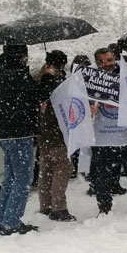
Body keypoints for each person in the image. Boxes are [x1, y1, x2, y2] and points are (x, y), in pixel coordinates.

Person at [89, 47, 127, 215]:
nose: (106, 64)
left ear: (115, 59)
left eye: (109, 60)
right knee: (102, 176)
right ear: (96, 62)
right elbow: (81, 104)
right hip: (102, 137)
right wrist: (89, 108)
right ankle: (104, 209)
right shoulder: (90, 80)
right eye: (101, 61)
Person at [0, 44, 41, 235]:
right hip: (19, 133)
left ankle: (4, 220)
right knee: (23, 179)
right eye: (25, 56)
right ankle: (11, 221)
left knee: (11, 178)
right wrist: (45, 77)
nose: (27, 59)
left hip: (5, 133)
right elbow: (36, 94)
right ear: (20, 55)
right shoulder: (17, 74)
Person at [36, 50, 76, 222]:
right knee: (62, 169)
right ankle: (59, 208)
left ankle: (45, 205)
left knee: (46, 170)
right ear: (62, 63)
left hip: (43, 133)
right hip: (58, 132)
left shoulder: (37, 77)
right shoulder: (58, 81)